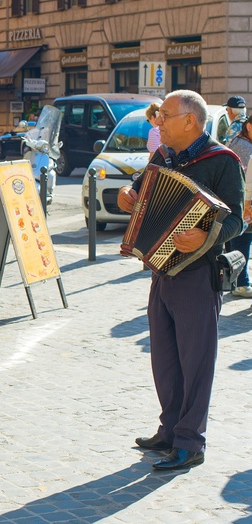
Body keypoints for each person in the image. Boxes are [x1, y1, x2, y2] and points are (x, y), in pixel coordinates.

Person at [117, 90, 244, 471]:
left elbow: (237, 220)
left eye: (166, 115)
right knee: (166, 360)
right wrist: (129, 195)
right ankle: (169, 430)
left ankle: (191, 441)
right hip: (160, 268)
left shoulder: (223, 161)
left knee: (196, 361)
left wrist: (205, 237)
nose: (158, 122)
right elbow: (140, 189)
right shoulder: (162, 156)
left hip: (197, 274)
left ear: (190, 120)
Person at [226, 117, 252, 298]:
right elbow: (246, 180)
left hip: (241, 200)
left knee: (238, 241)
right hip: (243, 201)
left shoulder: (239, 141)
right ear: (249, 126)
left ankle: (236, 281)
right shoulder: (244, 146)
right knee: (241, 242)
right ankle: (240, 283)